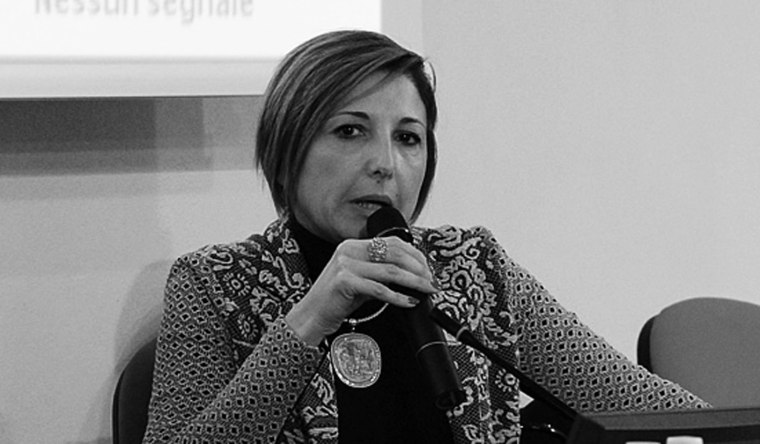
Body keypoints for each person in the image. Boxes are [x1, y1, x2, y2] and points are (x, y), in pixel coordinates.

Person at [142, 30, 708, 444]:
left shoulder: (474, 268)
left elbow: (654, 411)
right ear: (286, 151)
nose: (385, 164)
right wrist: (309, 321)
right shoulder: (216, 284)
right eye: (350, 131)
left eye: (408, 138)